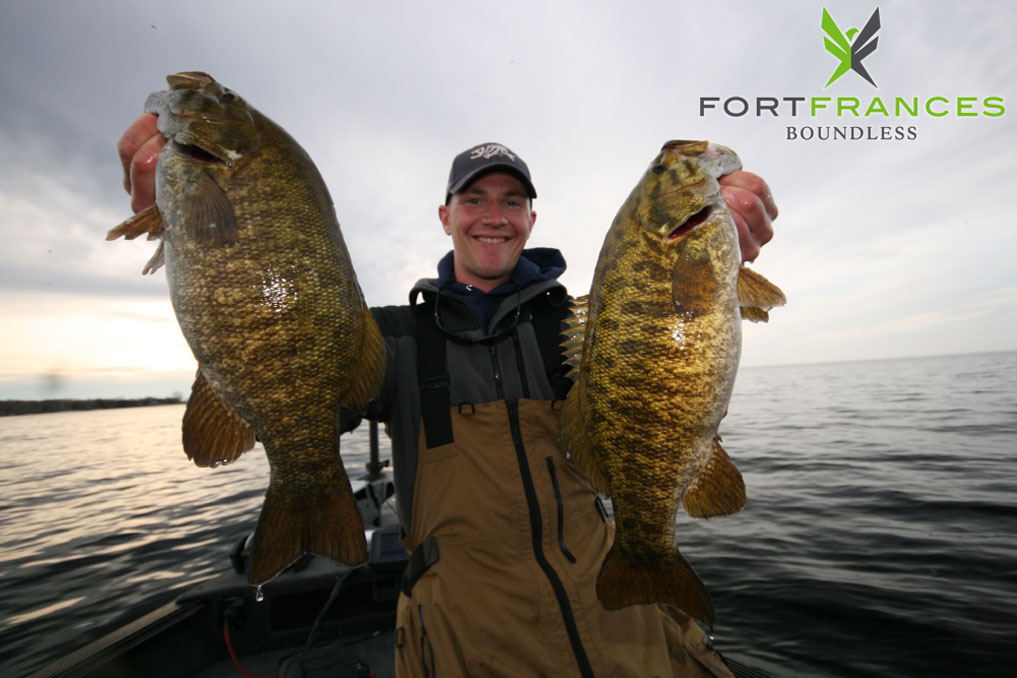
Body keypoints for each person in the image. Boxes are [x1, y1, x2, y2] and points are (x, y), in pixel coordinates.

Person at [119, 118, 777, 677]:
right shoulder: (390, 338)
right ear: (446, 216)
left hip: (618, 617)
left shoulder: (583, 325)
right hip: (465, 637)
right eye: (474, 200)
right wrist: (210, 231)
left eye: (511, 202)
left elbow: (667, 362)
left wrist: (715, 265)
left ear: (530, 218)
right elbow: (298, 372)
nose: (493, 216)